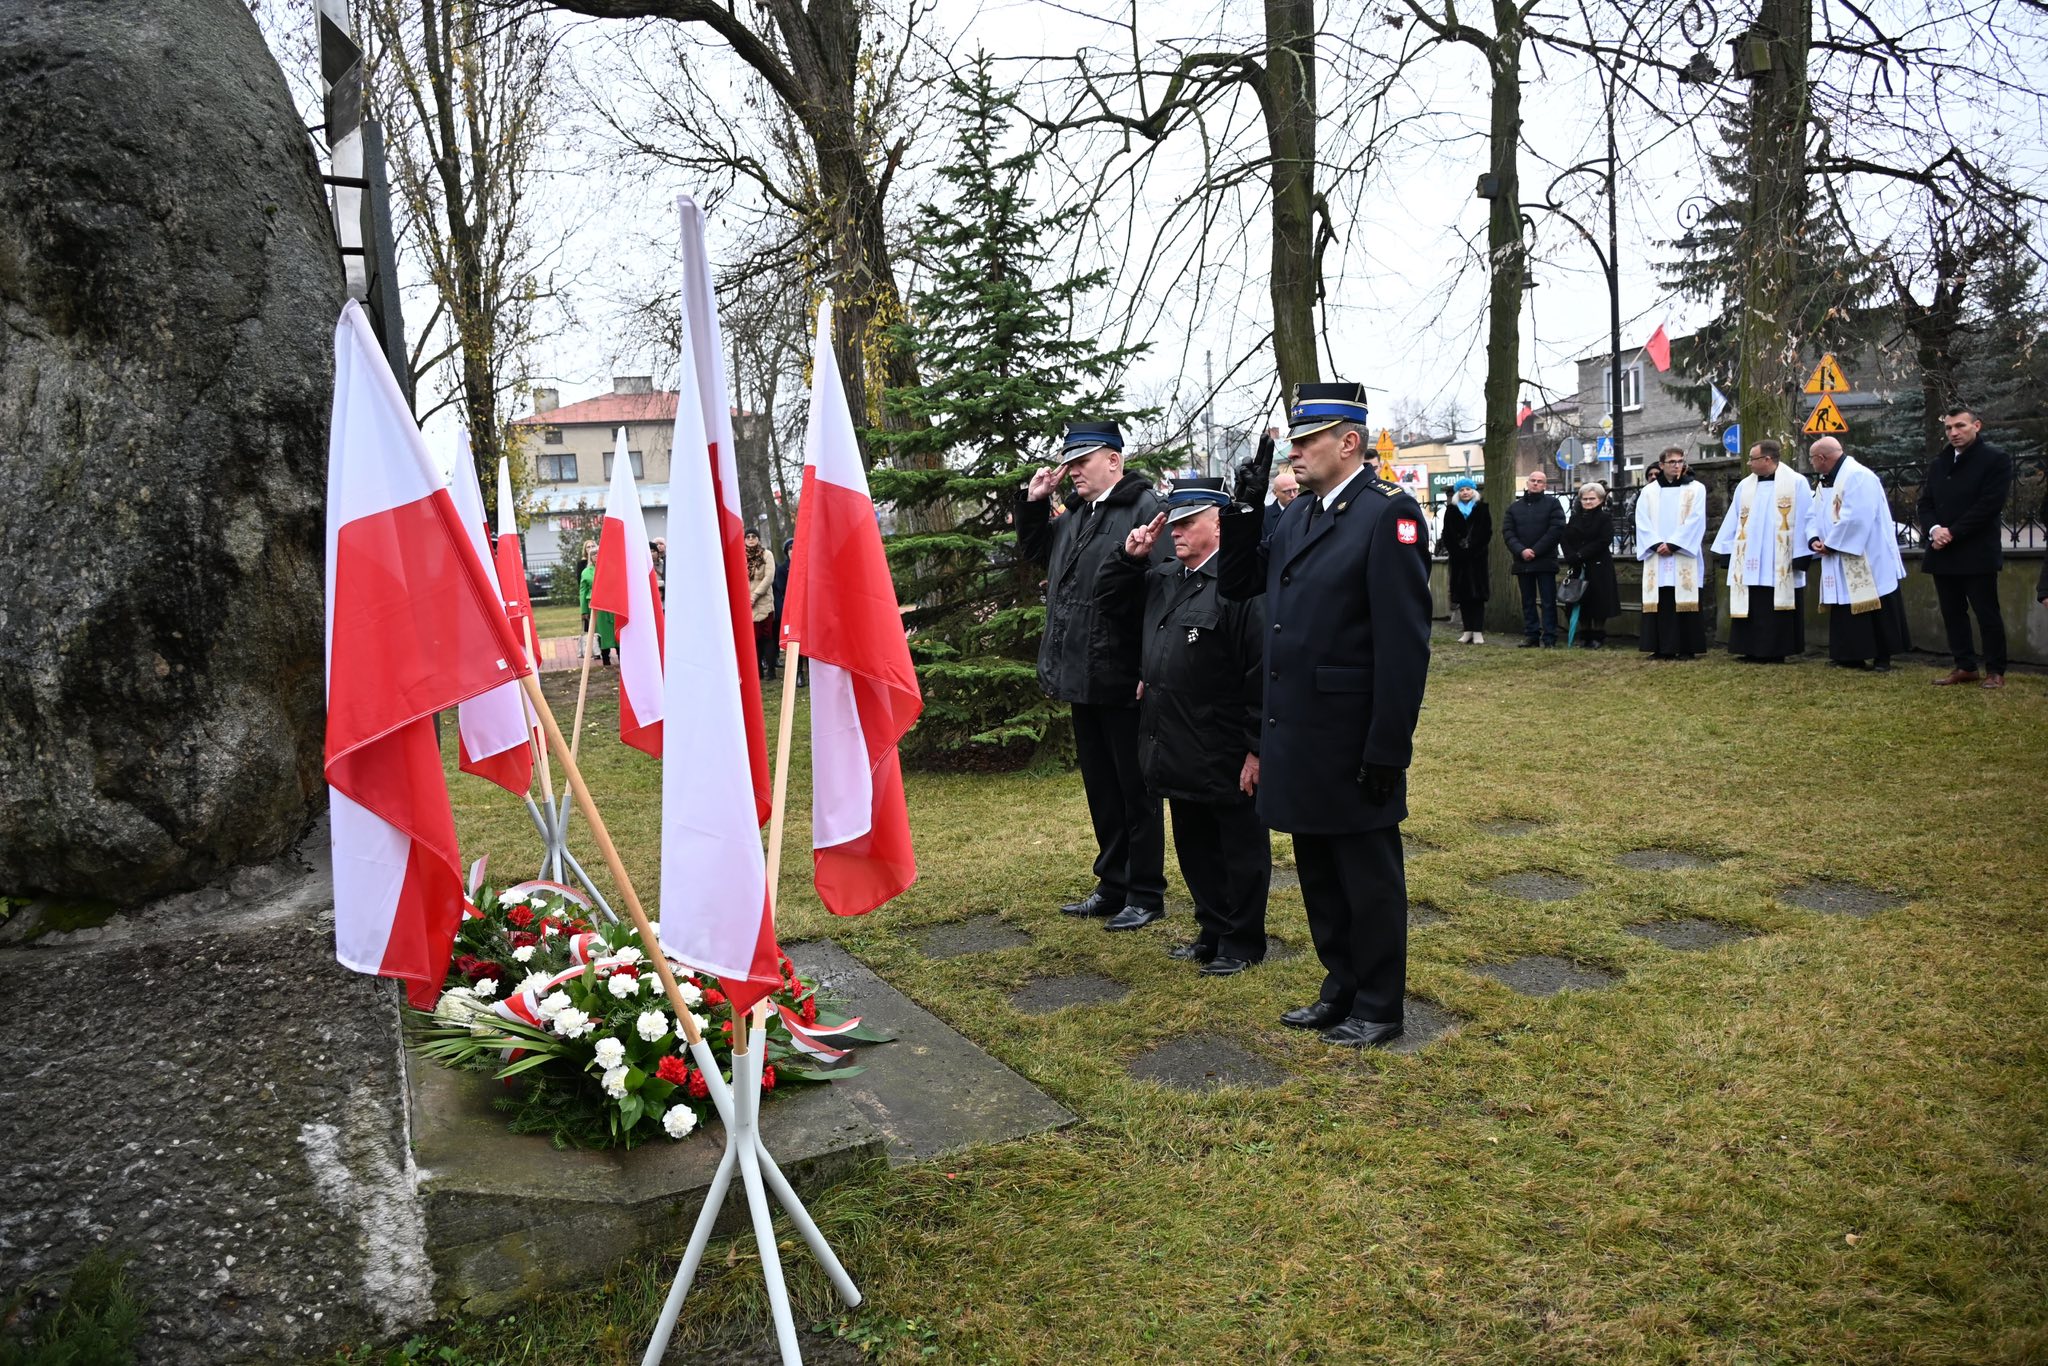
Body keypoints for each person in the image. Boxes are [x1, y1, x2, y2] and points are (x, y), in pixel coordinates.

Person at [1217, 382, 1431, 1049]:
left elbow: (1403, 647)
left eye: (1308, 440)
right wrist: (1247, 507)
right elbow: (1239, 584)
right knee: (1317, 869)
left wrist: (1387, 748)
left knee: (1366, 875)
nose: (1295, 451)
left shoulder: (1386, 515)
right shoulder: (1301, 514)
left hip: (1352, 734)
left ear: (1349, 443)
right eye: (1294, 440)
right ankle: (1339, 984)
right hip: (1300, 728)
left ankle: (1379, 1002)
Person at [1097, 477, 1270, 976]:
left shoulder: (1239, 587)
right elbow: (1114, 607)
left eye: (1188, 522)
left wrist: (1256, 749)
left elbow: (1259, 672)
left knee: (1237, 848)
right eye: (1173, 521)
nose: (1176, 531)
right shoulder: (1167, 578)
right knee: (1194, 846)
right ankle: (1211, 930)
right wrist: (1129, 559)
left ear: (1218, 524)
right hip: (1173, 738)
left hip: (1224, 740)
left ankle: (1242, 941)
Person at [1017, 420, 1169, 931]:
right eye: (1070, 461)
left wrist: (1151, 667)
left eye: (1083, 461)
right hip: (1081, 672)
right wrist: (1035, 502)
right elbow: (1038, 552)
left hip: (1125, 674)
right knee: (1102, 787)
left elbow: (1161, 595)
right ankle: (1113, 882)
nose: (1073, 470)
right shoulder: (1080, 513)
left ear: (1114, 461)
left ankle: (1145, 891)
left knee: (1136, 788)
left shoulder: (1143, 509)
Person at [1919, 406, 2013, 689]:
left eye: (1960, 426)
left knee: (1987, 613)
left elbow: (1989, 504)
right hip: (1942, 551)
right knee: (1952, 613)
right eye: (1949, 428)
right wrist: (1935, 530)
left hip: (1976, 551)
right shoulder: (1940, 462)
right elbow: (1926, 503)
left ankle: (1995, 670)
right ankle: (1965, 666)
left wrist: (1953, 532)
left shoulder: (1995, 459)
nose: (1954, 433)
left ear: (1977, 426)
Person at [1805, 436, 1911, 671]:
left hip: (1867, 555)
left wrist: (1831, 544)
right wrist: (1814, 538)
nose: (1811, 463)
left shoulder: (1858, 476)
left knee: (1876, 603)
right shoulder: (1825, 482)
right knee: (1845, 604)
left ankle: (1882, 657)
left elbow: (1856, 516)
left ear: (1822, 458)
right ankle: (1851, 654)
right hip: (1838, 553)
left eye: (1812, 459)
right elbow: (1813, 513)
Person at [1713, 440, 1812, 663]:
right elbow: (1734, 518)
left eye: (1752, 458)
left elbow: (1807, 518)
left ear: (1767, 459)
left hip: (1780, 557)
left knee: (1775, 605)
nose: (1748, 463)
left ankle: (1776, 651)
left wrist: (1802, 555)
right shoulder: (1744, 486)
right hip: (1748, 557)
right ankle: (1750, 649)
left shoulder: (1796, 483)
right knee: (1752, 603)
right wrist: (1727, 551)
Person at [1635, 447, 1708, 659]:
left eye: (1680, 461)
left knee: (1685, 598)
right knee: (1662, 599)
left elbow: (1696, 519)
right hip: (1657, 555)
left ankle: (1687, 647)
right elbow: (1642, 520)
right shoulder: (1648, 491)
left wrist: (1674, 544)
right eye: (1672, 462)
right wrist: (1657, 544)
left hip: (1683, 553)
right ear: (1661, 465)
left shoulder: (1696, 489)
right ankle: (1662, 648)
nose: (1677, 465)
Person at [1503, 468, 1566, 647]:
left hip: (1545, 560)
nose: (1535, 483)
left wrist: (1535, 550)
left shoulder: (1553, 504)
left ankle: (1550, 637)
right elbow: (1508, 532)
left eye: (1539, 481)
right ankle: (1531, 635)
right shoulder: (1514, 508)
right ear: (1527, 483)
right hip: (1523, 562)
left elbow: (1556, 529)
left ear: (1545, 485)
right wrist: (1521, 550)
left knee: (1548, 601)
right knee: (1527, 601)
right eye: (1533, 480)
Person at [1559, 481, 1620, 648]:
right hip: (1578, 566)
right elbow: (1565, 538)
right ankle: (1584, 634)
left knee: (1598, 601)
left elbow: (1603, 540)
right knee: (1580, 600)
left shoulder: (1604, 518)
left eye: (1592, 499)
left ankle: (1598, 636)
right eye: (1585, 499)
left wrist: (1580, 554)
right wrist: (1571, 555)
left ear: (1600, 500)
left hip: (1598, 565)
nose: (1588, 502)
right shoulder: (1575, 518)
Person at [1440, 476, 1490, 644]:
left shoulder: (1482, 509)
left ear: (1473, 491)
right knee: (1463, 597)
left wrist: (1474, 550)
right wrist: (1458, 551)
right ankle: (1467, 630)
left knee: (1478, 597)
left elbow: (1486, 533)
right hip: (1459, 561)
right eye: (1461, 490)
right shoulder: (1451, 511)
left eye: (1468, 489)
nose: (1465, 492)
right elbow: (1447, 535)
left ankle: (1478, 631)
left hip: (1477, 560)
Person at [773, 536, 807, 688]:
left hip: (808, 609)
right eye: (790, 548)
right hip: (793, 610)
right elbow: (782, 590)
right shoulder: (782, 570)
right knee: (796, 643)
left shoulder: (807, 566)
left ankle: (811, 672)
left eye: (795, 547)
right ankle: (798, 673)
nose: (793, 551)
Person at [745, 528, 777, 680]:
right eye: (748, 537)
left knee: (767, 637)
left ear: (758, 539)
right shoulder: (741, 556)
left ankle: (771, 671)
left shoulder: (766, 554)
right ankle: (757, 672)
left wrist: (755, 596)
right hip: (747, 603)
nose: (751, 539)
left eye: (754, 536)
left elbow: (769, 577)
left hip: (763, 601)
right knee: (754, 639)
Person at [578, 542, 616, 667]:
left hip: (612, 604)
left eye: (598, 554)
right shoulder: (586, 572)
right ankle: (606, 659)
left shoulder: (610, 567)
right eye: (593, 554)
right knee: (602, 633)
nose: (596, 556)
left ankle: (621, 655)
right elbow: (583, 591)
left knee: (616, 630)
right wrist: (584, 610)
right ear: (590, 557)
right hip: (597, 606)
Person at [1262, 452, 1299, 540]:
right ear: (1275, 493)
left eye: (1295, 490)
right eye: (1287, 491)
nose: (1292, 495)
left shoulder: (1307, 511)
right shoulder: (1264, 516)